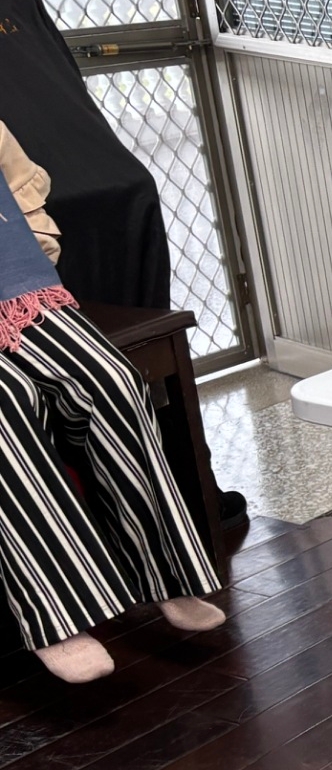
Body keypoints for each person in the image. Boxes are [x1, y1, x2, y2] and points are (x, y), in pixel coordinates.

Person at [0, 119, 223, 683]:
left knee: (110, 381)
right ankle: (57, 617)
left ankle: (168, 575)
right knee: (7, 406)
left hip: (13, 287)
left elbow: (22, 189)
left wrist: (35, 253)